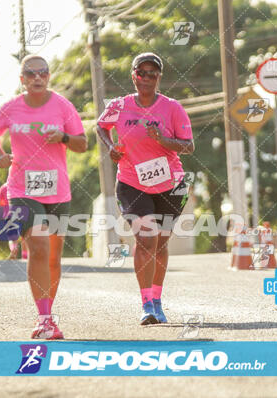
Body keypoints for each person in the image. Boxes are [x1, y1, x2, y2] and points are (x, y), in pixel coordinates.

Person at [0, 54, 87, 339]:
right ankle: (44, 318)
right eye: (30, 74)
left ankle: (48, 312)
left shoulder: (63, 106)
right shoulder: (11, 109)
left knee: (54, 258)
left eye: (42, 72)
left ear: (49, 76)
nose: (37, 78)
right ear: (22, 80)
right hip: (21, 188)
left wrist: (64, 138)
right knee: (40, 247)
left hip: (58, 191)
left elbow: (82, 143)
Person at [96, 52, 194, 325]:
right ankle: (147, 304)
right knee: (146, 238)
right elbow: (100, 126)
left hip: (170, 185)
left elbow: (188, 146)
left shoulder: (172, 108)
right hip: (131, 182)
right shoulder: (119, 105)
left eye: (153, 73)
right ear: (133, 75)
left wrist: (163, 139)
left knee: (161, 242)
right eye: (142, 72)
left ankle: (158, 300)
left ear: (159, 77)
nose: (147, 78)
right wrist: (111, 148)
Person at [0, 182, 26, 260]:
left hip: (8, 215)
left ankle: (13, 250)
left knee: (12, 238)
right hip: (22, 213)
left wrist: (4, 205)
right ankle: (25, 256)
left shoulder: (4, 187)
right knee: (24, 236)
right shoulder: (20, 184)